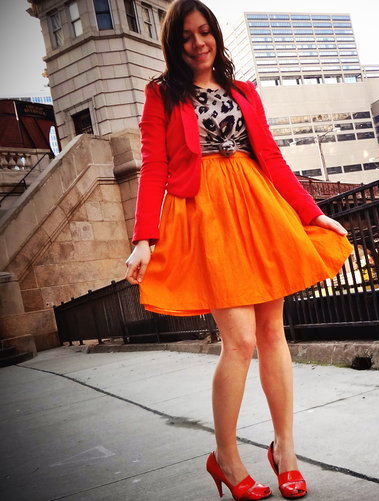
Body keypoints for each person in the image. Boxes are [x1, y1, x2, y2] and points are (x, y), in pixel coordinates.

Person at [124, 0, 352, 499]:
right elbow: (154, 166)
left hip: (256, 204)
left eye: (205, 32)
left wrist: (312, 213)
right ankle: (225, 457)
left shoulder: (243, 91)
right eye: (186, 36)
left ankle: (285, 451)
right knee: (241, 340)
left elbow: (268, 155)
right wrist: (145, 238)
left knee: (273, 333)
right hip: (205, 214)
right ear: (174, 44)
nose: (198, 43)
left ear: (215, 36)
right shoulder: (161, 95)